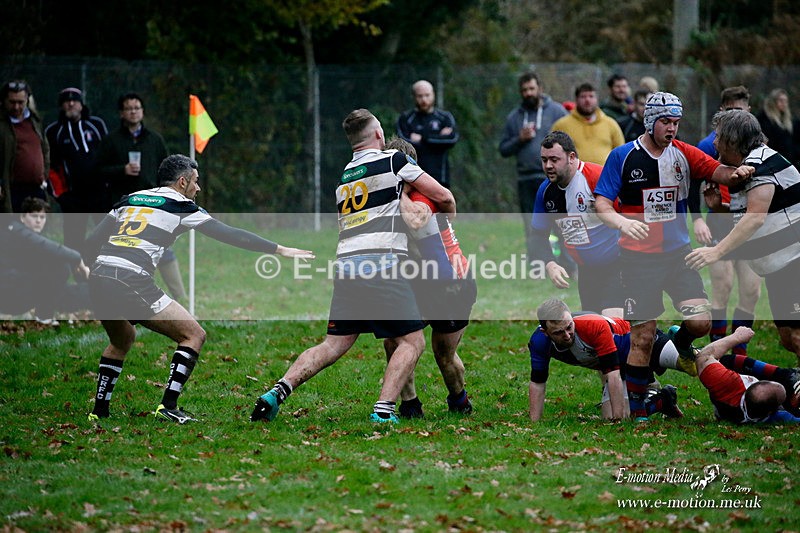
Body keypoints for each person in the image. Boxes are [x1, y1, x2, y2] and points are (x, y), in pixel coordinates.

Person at [251, 109, 455, 424]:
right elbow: (442, 195)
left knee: (333, 344)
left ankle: (277, 391)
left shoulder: (345, 177)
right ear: (377, 135)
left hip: (346, 264)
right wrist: (449, 215)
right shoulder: (393, 161)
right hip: (383, 264)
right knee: (412, 341)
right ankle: (384, 410)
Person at [85, 154, 313, 423]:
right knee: (193, 334)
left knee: (121, 340)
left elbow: (91, 244)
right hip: (131, 279)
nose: (198, 189)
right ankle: (168, 406)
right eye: (196, 182)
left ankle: (98, 413)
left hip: (99, 277)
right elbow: (229, 233)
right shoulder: (181, 205)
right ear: (182, 182)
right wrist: (279, 249)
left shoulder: (130, 198)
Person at [593, 92, 754, 421]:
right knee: (642, 336)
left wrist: (739, 173)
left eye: (676, 123)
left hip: (678, 257)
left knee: (700, 321)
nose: (672, 129)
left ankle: (680, 344)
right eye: (666, 122)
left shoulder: (683, 154)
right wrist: (623, 222)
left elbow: (717, 171)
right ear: (650, 121)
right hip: (637, 260)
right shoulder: (623, 157)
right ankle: (640, 410)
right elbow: (602, 205)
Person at [685, 109, 800, 366]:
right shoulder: (747, 167)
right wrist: (720, 208)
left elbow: (755, 218)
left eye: (718, 137)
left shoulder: (760, 164)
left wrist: (716, 252)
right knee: (787, 337)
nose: (714, 143)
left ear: (732, 140)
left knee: (796, 335)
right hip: (781, 266)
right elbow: (760, 213)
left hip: (794, 262)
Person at [383, 136, 476, 418]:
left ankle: (459, 400)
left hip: (452, 283)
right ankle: (410, 405)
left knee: (443, 354)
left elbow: (416, 220)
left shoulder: (421, 197)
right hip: (418, 281)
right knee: (394, 341)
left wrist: (397, 192)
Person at [529, 298, 687, 422]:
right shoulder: (539, 342)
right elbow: (537, 382)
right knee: (611, 416)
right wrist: (534, 424)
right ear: (545, 332)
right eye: (558, 333)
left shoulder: (592, 326)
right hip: (623, 365)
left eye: (569, 327)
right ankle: (662, 401)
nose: (567, 335)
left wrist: (617, 423)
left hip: (642, 342)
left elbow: (612, 375)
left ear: (571, 318)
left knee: (690, 364)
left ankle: (685, 341)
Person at [692, 86, 761, 355]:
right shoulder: (710, 145)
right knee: (722, 285)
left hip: (748, 226)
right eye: (731, 111)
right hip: (720, 219)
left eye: (740, 111)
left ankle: (739, 353)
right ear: (722, 111)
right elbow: (692, 184)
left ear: (749, 113)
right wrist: (698, 218)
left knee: (752, 291)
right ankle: (717, 348)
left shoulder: (758, 147)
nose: (736, 116)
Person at [96, 92, 185, 301]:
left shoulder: (155, 139)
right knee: (126, 252)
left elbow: (169, 169)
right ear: (121, 113)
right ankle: (123, 298)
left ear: (142, 111)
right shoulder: (111, 141)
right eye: (129, 108)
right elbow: (98, 171)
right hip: (124, 206)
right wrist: (121, 170)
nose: (133, 112)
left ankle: (182, 300)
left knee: (162, 247)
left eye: (137, 108)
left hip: (153, 206)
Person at [530, 131, 623, 317]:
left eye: (554, 159)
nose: (548, 165)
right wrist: (550, 264)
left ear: (571, 157)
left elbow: (630, 217)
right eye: (544, 160)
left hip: (618, 264)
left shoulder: (596, 177)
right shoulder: (545, 192)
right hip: (587, 271)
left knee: (614, 324)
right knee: (595, 328)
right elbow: (538, 235)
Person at [498, 72, 568, 265]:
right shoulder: (514, 117)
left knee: (561, 220)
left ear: (540, 89)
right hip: (527, 178)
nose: (528, 93)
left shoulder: (557, 111)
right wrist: (519, 139)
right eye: (524, 90)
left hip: (555, 178)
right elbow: (503, 149)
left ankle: (566, 262)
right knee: (532, 224)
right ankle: (538, 263)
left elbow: (570, 141)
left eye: (531, 88)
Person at [0, 197, 90, 323]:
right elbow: (50, 247)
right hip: (8, 292)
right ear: (22, 217)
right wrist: (78, 260)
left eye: (42, 217)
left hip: (16, 287)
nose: (38, 221)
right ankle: (44, 316)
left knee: (66, 286)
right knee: (59, 267)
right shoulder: (17, 230)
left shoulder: (22, 233)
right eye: (34, 216)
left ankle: (45, 316)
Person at [45, 87, 109, 251]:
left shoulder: (96, 124)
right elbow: (50, 166)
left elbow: (109, 154)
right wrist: (61, 195)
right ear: (61, 105)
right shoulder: (54, 131)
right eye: (67, 101)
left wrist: (109, 184)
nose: (71, 104)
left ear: (81, 104)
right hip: (73, 197)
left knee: (107, 237)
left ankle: (105, 273)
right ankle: (76, 274)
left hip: (99, 194)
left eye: (75, 101)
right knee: (73, 241)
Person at [694, 326, 800, 424]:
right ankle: (785, 374)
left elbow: (703, 357)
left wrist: (737, 337)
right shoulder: (778, 416)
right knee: (787, 380)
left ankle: (784, 375)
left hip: (727, 393)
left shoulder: (728, 384)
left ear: (749, 382)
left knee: (727, 361)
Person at [396, 80, 459, 188]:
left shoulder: (445, 117)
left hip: (440, 177)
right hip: (413, 178)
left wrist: (423, 139)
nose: (424, 99)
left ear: (433, 94)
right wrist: (438, 137)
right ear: (414, 97)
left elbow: (452, 139)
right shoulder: (406, 119)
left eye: (427, 95)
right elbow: (404, 143)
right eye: (420, 96)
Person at [0, 80, 50, 213]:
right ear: (4, 101)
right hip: (11, 191)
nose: (16, 107)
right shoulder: (2, 125)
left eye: (20, 102)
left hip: (36, 189)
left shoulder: (35, 122)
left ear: (28, 100)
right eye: (12, 102)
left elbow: (44, 149)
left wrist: (43, 176)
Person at [550, 83, 625, 165]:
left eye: (591, 96)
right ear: (576, 100)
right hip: (573, 175)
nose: (587, 100)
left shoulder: (611, 124)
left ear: (597, 99)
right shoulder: (561, 125)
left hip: (604, 175)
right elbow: (551, 152)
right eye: (583, 96)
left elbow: (621, 153)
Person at [756, 88, 798, 168]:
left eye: (785, 101)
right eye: (781, 101)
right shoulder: (764, 120)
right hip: (772, 162)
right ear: (773, 102)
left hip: (788, 162)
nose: (784, 104)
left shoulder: (789, 121)